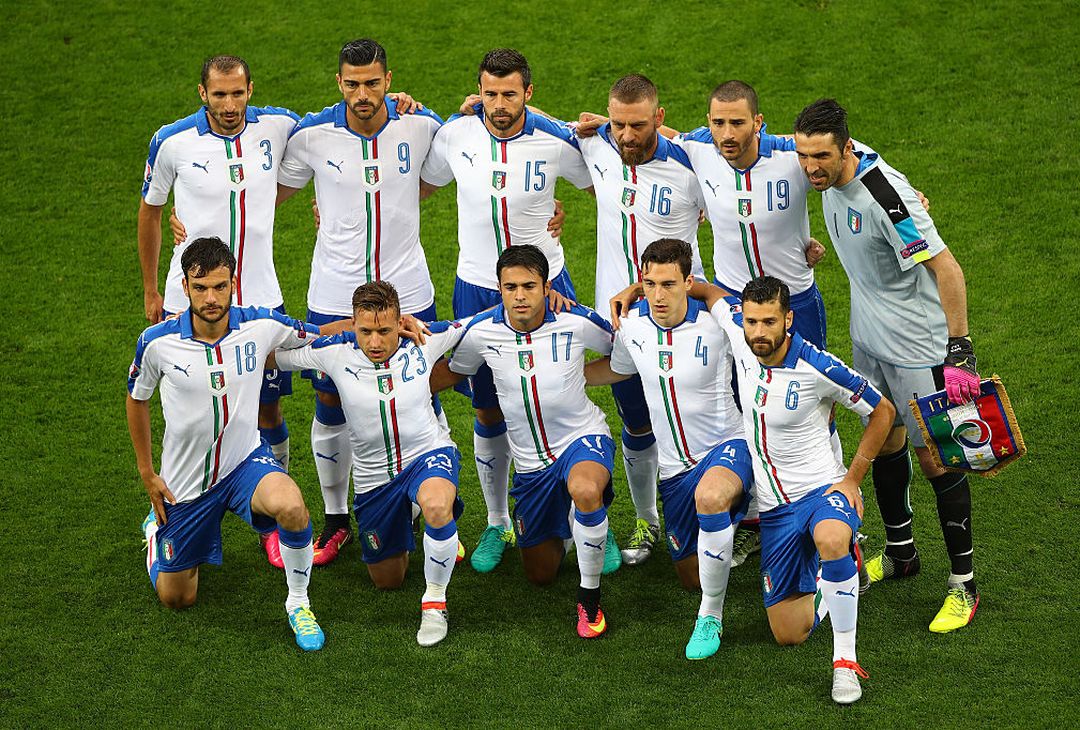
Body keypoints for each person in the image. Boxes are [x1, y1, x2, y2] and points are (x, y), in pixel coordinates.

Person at [640, 274, 895, 704]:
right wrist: (632, 292)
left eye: (769, 322)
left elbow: (882, 411)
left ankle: (845, 664)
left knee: (831, 537)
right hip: (776, 511)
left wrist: (851, 478)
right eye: (752, 321)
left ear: (788, 320)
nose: (759, 332)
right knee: (788, 634)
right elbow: (705, 290)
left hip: (821, 494)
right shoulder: (741, 335)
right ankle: (825, 577)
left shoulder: (818, 367)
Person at [793, 98, 982, 632]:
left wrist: (959, 348)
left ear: (846, 149)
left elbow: (946, 267)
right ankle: (901, 554)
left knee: (937, 461)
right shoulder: (823, 171)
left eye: (822, 157)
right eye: (805, 156)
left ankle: (963, 585)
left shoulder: (887, 197)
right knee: (887, 440)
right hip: (869, 342)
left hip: (918, 349)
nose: (812, 168)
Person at [421, 48, 596, 573]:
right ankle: (498, 521)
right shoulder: (454, 134)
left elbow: (607, 182)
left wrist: (555, 213)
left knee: (561, 396)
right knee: (487, 408)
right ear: (479, 90)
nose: (499, 105)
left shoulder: (555, 139)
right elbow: (420, 185)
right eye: (490, 93)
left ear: (529, 93)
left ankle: (581, 514)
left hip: (548, 285)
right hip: (477, 287)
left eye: (510, 94)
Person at [275, 38, 443, 567]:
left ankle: (421, 504)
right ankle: (335, 517)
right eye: (352, 83)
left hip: (410, 288)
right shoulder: (311, 136)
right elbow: (263, 192)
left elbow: (442, 179)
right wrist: (189, 218)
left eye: (372, 82)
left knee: (424, 396)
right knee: (330, 403)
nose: (363, 93)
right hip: (333, 292)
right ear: (338, 82)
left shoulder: (421, 126)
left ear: (389, 80)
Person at [127, 237, 340, 651]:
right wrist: (147, 472)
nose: (211, 298)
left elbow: (319, 334)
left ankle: (299, 604)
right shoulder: (157, 342)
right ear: (185, 287)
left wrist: (379, 326)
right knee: (178, 599)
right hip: (186, 483)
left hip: (245, 464)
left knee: (293, 507)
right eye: (201, 287)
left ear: (233, 283)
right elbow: (137, 398)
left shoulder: (260, 325)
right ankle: (157, 535)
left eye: (220, 287)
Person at [138, 56, 300, 567]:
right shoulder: (172, 141)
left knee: (268, 407)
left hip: (261, 298)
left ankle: (266, 522)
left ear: (251, 89)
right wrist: (149, 289)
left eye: (238, 94)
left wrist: (403, 103)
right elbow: (150, 212)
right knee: (186, 405)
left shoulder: (278, 126)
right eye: (219, 95)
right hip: (194, 294)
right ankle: (171, 495)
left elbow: (341, 122)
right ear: (201, 93)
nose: (230, 105)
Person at [431, 246, 617, 638]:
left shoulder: (576, 321)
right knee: (539, 573)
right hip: (531, 466)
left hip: (580, 440)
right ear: (498, 288)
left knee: (584, 488)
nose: (519, 296)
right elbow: (455, 371)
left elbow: (626, 352)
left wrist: (581, 377)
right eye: (510, 286)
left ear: (546, 287)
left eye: (529, 286)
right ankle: (581, 523)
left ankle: (590, 601)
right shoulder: (481, 331)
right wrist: (395, 383)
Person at [270, 282, 467, 646]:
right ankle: (410, 515)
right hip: (375, 479)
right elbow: (273, 354)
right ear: (354, 326)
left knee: (437, 505)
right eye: (365, 331)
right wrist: (341, 329)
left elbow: (479, 324)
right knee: (387, 580)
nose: (375, 342)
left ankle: (434, 601)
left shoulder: (426, 339)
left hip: (428, 454)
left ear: (401, 323)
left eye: (385, 331)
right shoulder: (335, 353)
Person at [584, 239, 753, 660]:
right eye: (650, 284)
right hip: (675, 471)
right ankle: (742, 524)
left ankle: (710, 616)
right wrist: (561, 379)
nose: (659, 295)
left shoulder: (718, 323)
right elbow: (617, 369)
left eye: (669, 284)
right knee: (691, 576)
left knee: (711, 498)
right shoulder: (633, 326)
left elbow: (764, 338)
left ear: (688, 282)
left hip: (725, 448)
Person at [575, 74, 708, 566]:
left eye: (637, 125)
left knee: (693, 423)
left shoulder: (692, 165)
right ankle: (648, 522)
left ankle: (720, 518)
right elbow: (528, 123)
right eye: (618, 124)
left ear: (660, 117)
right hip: (621, 323)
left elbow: (745, 210)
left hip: (683, 321)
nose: (626, 136)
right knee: (635, 424)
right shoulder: (596, 145)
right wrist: (471, 109)